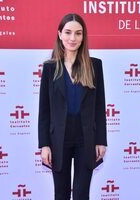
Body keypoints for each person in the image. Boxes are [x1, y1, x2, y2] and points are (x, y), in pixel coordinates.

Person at [38, 13, 107, 200]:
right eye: (68, 32)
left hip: (87, 137)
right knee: (60, 193)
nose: (72, 38)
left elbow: (99, 107)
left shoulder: (94, 66)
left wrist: (101, 139)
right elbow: (44, 111)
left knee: (81, 193)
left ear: (83, 37)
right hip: (58, 138)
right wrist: (44, 144)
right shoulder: (50, 68)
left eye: (78, 33)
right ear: (59, 34)